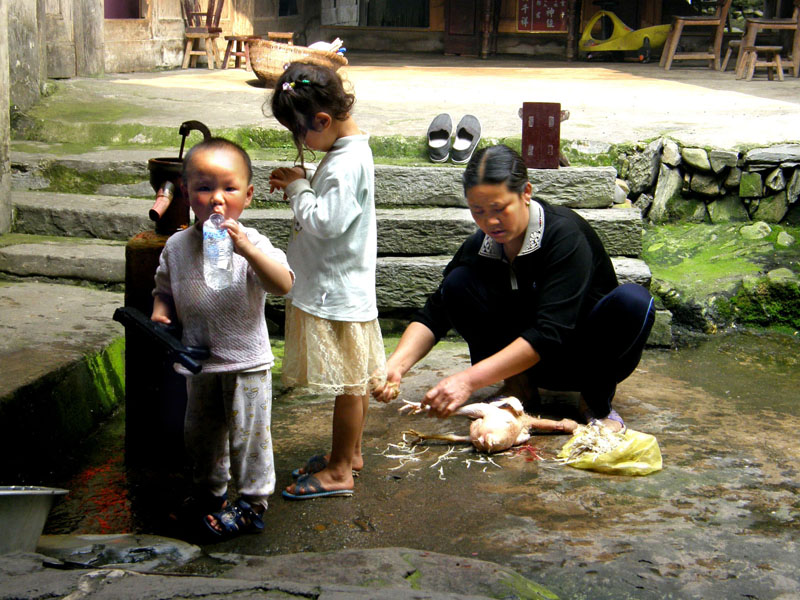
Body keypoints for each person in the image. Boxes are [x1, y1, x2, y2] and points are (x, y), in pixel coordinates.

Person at [373, 144, 655, 433]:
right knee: (457, 283)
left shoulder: (565, 236)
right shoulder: (482, 244)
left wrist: (467, 380)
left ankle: (595, 401)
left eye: (499, 209)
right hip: (526, 362)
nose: (489, 221)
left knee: (634, 301)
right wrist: (395, 365)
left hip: (583, 360)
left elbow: (550, 332)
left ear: (526, 193)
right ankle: (518, 388)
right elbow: (435, 313)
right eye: (478, 211)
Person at [151, 137, 294, 539]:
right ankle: (211, 494)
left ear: (247, 196)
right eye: (204, 187)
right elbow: (164, 286)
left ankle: (252, 502)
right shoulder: (177, 246)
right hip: (199, 361)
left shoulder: (254, 244)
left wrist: (246, 249)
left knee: (249, 437)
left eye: (229, 189)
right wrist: (161, 311)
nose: (217, 199)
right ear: (185, 193)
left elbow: (282, 284)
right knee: (201, 435)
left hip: (246, 362)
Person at [268, 62, 387, 500]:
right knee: (352, 383)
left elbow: (326, 222)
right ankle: (349, 453)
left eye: (301, 134)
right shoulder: (347, 152)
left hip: (336, 291)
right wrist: (300, 183)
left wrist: (299, 189)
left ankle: (340, 470)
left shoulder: (343, 165)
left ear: (322, 120)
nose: (302, 144)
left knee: (349, 386)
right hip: (342, 284)